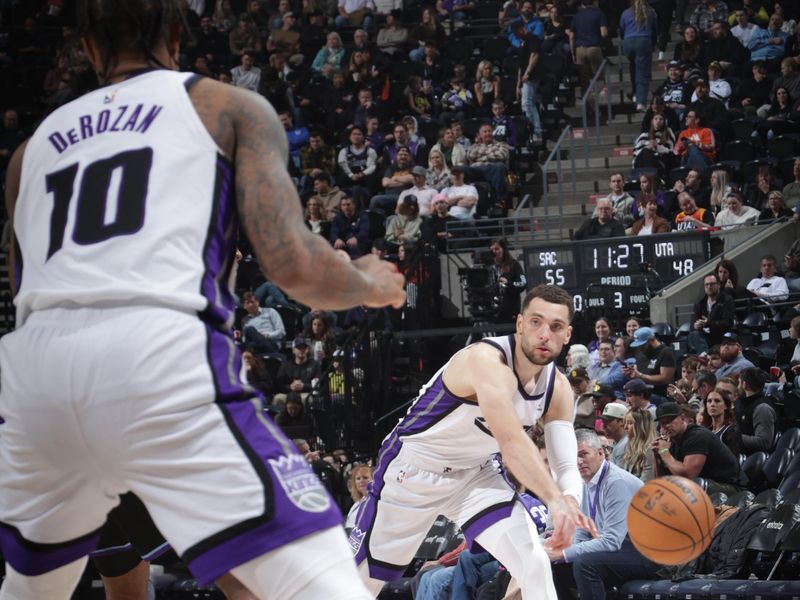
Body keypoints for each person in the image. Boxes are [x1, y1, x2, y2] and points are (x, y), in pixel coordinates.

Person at [0, 2, 408, 599]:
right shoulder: (225, 106)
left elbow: (23, 288)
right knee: (325, 585)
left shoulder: (27, 153)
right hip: (154, 357)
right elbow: (293, 264)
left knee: (31, 587)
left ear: (84, 48)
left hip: (34, 378)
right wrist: (369, 281)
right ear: (174, 33)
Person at [349, 285, 598, 598]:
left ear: (567, 335)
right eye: (536, 322)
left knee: (533, 562)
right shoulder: (487, 361)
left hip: (476, 474)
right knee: (356, 586)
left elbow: (564, 462)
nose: (545, 333)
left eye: (556, 326)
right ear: (520, 324)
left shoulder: (558, 388)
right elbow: (511, 442)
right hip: (413, 469)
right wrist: (554, 499)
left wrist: (570, 500)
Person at [549, 430, 659, 600]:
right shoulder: (586, 481)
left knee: (585, 564)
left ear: (600, 453)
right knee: (556, 567)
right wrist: (561, 554)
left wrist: (564, 553)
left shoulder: (616, 482)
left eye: (583, 454)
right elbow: (582, 531)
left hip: (649, 555)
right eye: (574, 457)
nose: (579, 462)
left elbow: (611, 541)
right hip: (622, 550)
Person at [652, 403, 747, 495]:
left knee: (690, 487)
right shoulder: (672, 442)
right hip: (708, 484)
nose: (666, 426)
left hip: (732, 488)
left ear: (682, 418)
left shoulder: (697, 436)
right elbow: (663, 480)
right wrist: (657, 454)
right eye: (662, 423)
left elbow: (688, 476)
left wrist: (664, 453)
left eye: (670, 421)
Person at [619, 0, 657, 111]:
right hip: (643, 41)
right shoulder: (650, 12)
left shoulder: (625, 13)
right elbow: (655, 30)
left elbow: (622, 29)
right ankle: (641, 101)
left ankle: (635, 93)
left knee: (634, 67)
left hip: (628, 42)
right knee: (642, 73)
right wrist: (653, 44)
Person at [688, 273, 736, 354]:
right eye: (706, 284)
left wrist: (708, 323)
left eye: (712, 284)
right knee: (693, 334)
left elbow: (727, 323)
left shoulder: (727, 300)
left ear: (718, 285)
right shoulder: (700, 303)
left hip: (720, 337)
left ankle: (705, 357)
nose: (709, 287)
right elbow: (692, 325)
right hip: (704, 338)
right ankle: (705, 355)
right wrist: (696, 326)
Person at [625, 326, 677, 402]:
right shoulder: (641, 353)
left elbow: (666, 378)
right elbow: (637, 373)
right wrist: (631, 374)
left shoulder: (666, 352)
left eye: (642, 345)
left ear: (651, 340)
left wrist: (641, 376)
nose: (639, 348)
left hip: (660, 395)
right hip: (642, 393)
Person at [736, 367, 777, 455]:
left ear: (744, 385)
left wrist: (735, 437)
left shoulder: (762, 408)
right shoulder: (740, 402)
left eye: (738, 383)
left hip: (751, 459)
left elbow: (764, 442)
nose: (737, 387)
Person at [490, 238, 527, 322]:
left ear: (504, 250)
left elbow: (523, 283)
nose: (494, 252)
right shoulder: (489, 267)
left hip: (511, 312)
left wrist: (508, 283)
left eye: (497, 249)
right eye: (492, 250)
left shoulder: (513, 264)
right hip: (493, 313)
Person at [700, 388, 741, 456]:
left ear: (725, 406)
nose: (712, 404)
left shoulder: (732, 431)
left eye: (717, 401)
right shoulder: (704, 430)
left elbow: (732, 460)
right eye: (709, 401)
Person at [622, 407, 656, 482]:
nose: (625, 427)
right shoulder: (630, 446)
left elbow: (646, 482)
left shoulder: (650, 450)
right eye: (625, 423)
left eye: (630, 423)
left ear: (642, 426)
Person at [345, 464, 374, 532]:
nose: (361, 481)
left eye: (365, 477)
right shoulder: (356, 504)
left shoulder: (375, 502)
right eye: (358, 478)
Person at [601, 402, 629, 467]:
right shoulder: (616, 441)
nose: (603, 425)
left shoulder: (625, 445)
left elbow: (620, 476)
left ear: (622, 421)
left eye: (608, 421)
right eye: (603, 421)